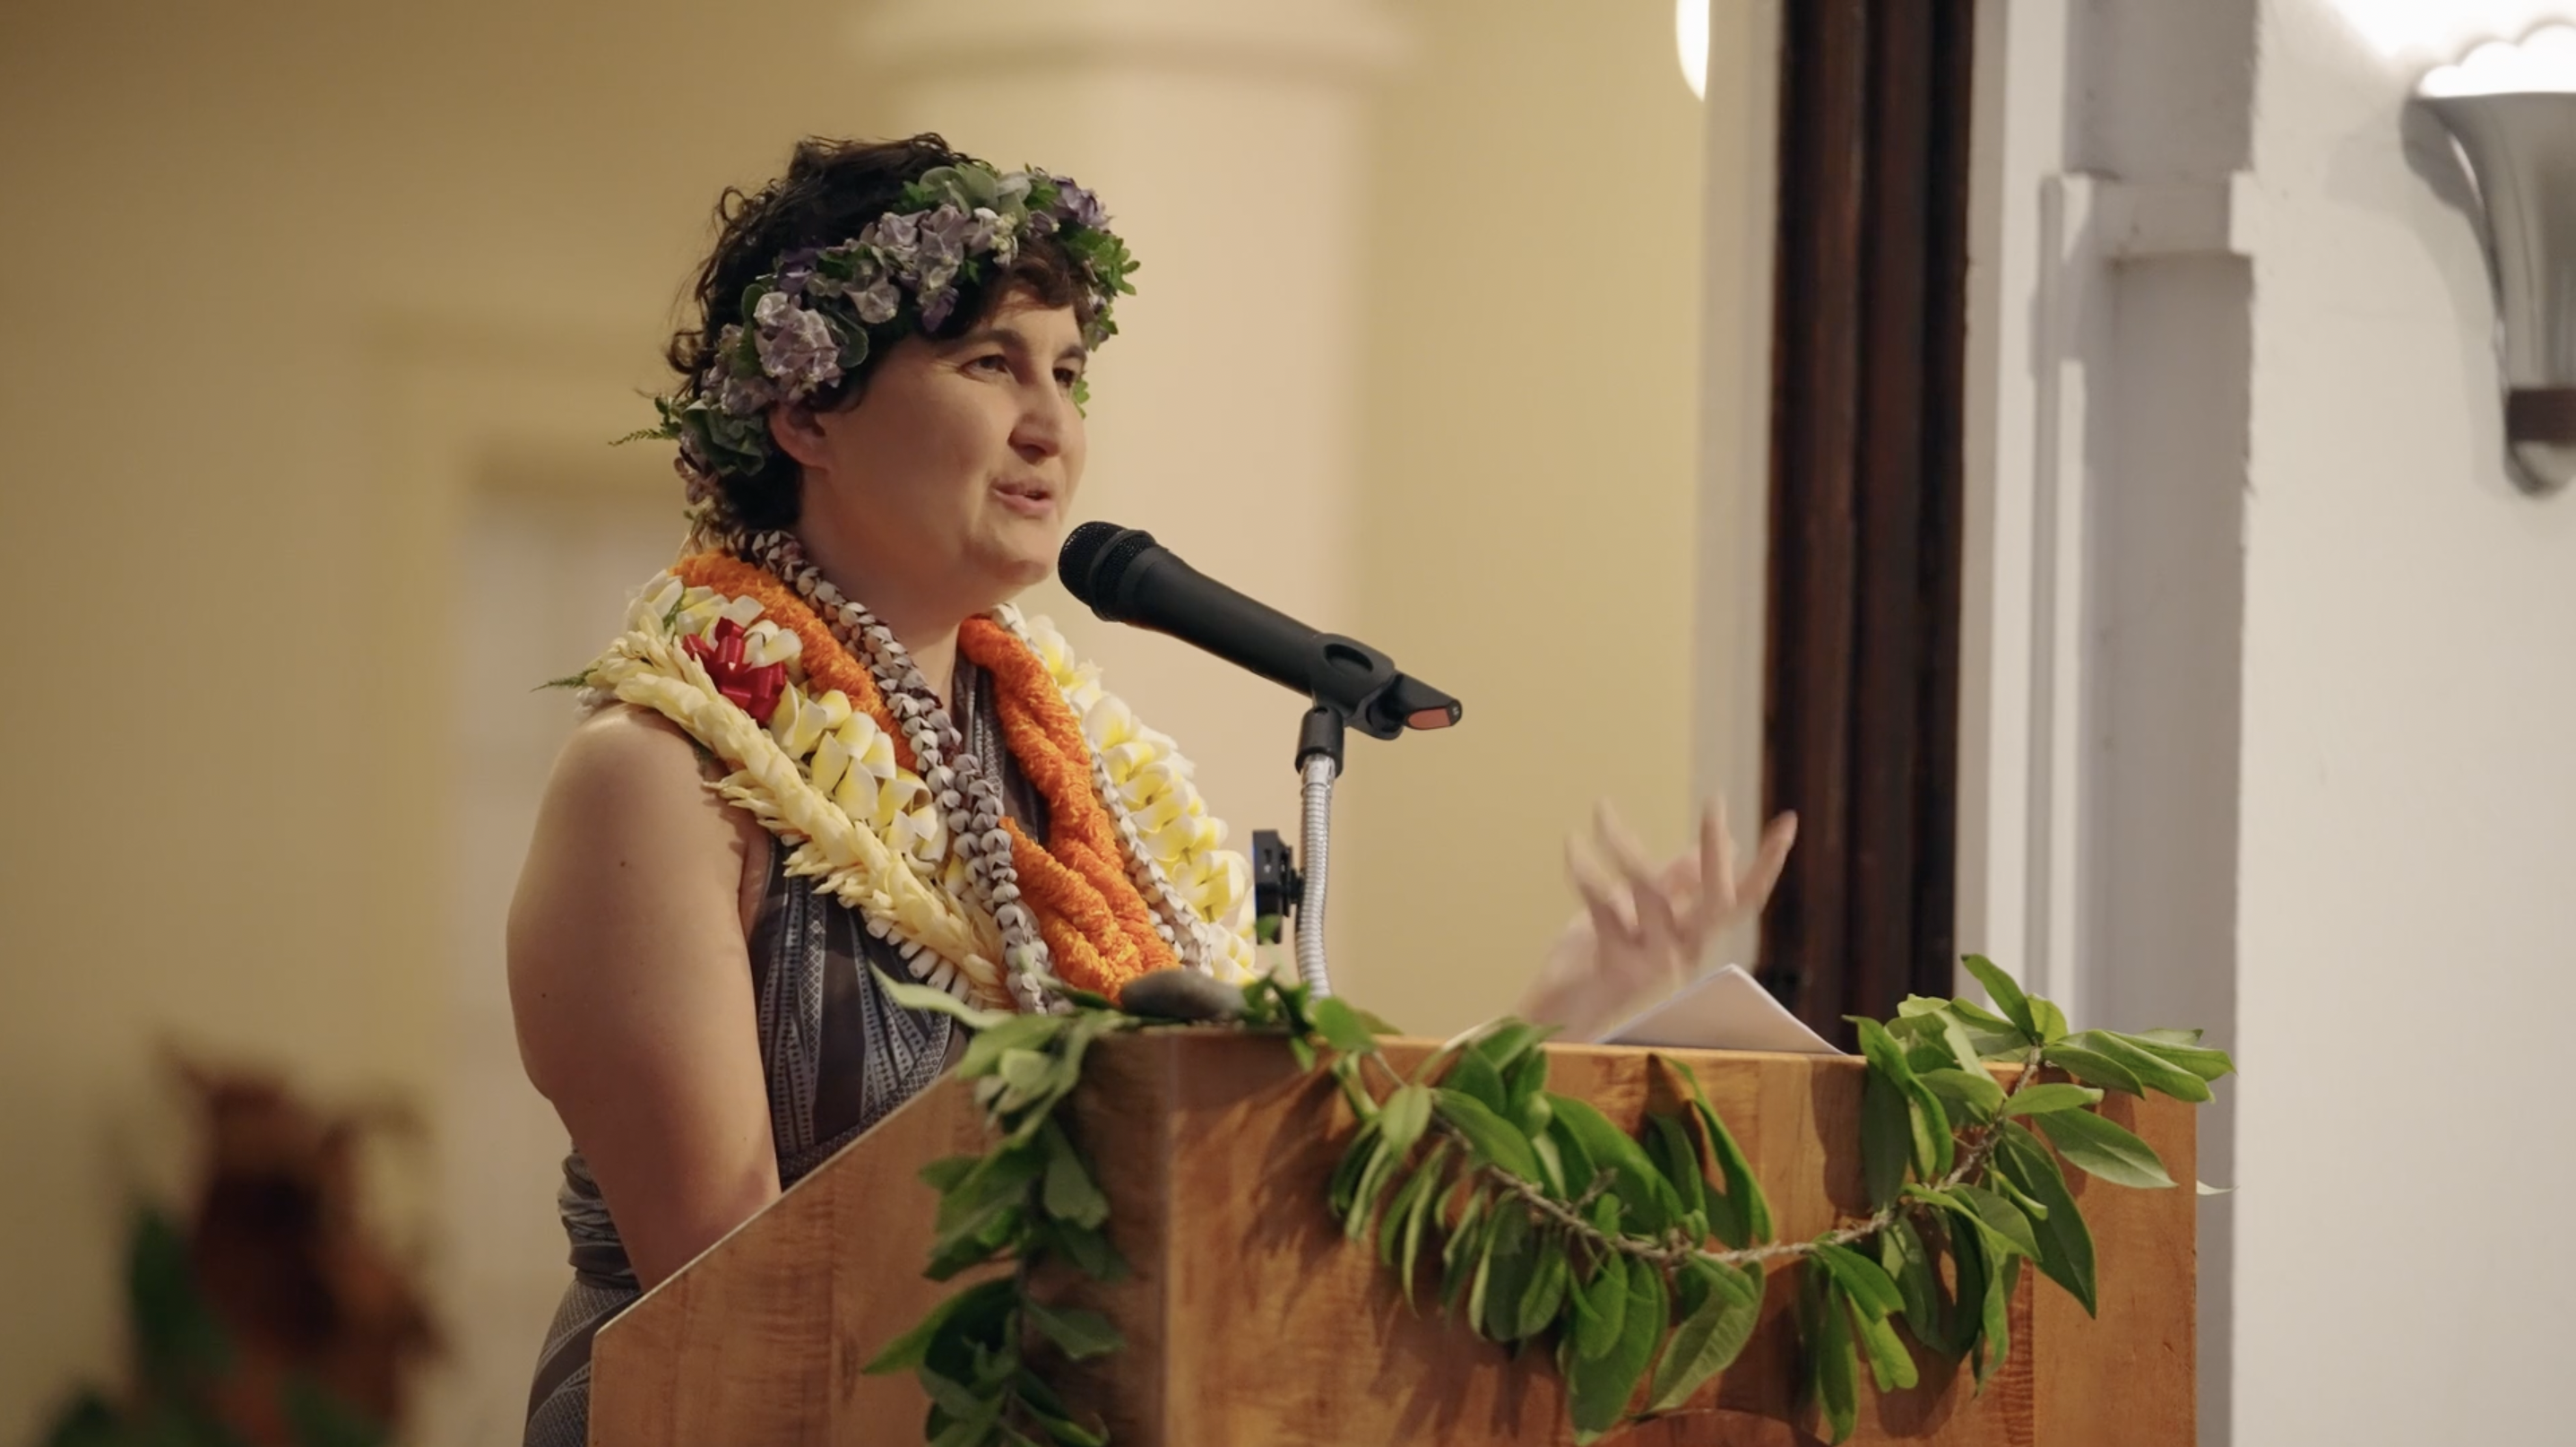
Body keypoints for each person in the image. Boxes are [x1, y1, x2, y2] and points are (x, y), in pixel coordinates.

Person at [504, 134, 1794, 1447]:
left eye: (1068, 371)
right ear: (806, 413)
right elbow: (741, 1303)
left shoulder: (1075, 781)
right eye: (988, 362)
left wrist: (1564, 1008)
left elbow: (1264, 1196)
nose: (1049, 424)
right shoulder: (662, 779)